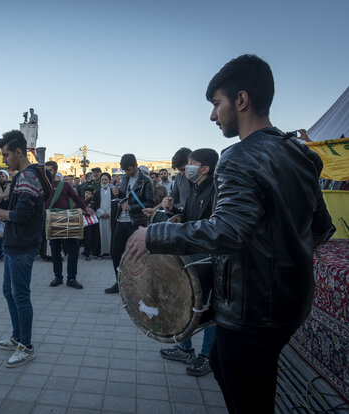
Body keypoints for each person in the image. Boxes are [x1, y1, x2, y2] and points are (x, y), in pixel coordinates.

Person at [126, 55, 335, 414]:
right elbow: (321, 228)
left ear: (241, 100)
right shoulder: (300, 155)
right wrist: (281, 256)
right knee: (224, 367)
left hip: (251, 310)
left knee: (248, 400)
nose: (213, 116)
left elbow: (230, 229)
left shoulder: (239, 157)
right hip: (289, 302)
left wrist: (154, 235)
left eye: (216, 104)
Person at [0, 130, 48, 367]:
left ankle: (26, 346)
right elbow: (14, 205)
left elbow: (21, 214)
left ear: (19, 152)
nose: (4, 160)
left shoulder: (29, 176)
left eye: (7, 155)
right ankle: (17, 336)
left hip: (22, 245)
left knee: (20, 295)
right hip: (14, 244)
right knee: (9, 292)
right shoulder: (21, 176)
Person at [157, 148, 219, 377]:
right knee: (187, 302)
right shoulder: (194, 188)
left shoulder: (217, 189)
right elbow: (191, 217)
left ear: (205, 168)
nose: (186, 170)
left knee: (208, 307)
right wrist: (174, 211)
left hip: (210, 259)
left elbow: (214, 226)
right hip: (191, 256)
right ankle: (185, 349)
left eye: (191, 164)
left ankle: (206, 356)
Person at [105, 153, 154, 294]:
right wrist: (117, 193)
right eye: (124, 170)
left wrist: (131, 207)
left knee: (136, 254)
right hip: (121, 219)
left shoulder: (146, 181)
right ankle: (119, 282)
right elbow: (123, 195)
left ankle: (138, 285)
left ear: (135, 166)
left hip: (136, 222)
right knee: (115, 252)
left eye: (129, 170)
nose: (126, 173)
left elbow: (149, 203)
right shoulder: (125, 178)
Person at [45, 160, 92, 289]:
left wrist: (85, 208)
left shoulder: (64, 185)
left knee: (73, 249)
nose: (47, 172)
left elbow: (76, 198)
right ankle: (58, 277)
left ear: (55, 170)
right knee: (55, 250)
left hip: (68, 220)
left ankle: (72, 278)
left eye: (49, 170)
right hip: (52, 221)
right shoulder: (42, 185)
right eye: (45, 170)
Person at [96, 172, 113, 257]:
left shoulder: (113, 191)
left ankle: (111, 252)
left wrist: (109, 213)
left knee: (111, 234)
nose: (104, 181)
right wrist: (101, 213)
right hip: (101, 217)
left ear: (109, 181)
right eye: (102, 180)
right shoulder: (97, 191)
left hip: (110, 217)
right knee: (101, 235)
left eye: (106, 179)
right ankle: (101, 252)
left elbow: (115, 203)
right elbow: (95, 204)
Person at [81, 188, 100, 260]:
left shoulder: (93, 202)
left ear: (92, 195)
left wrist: (86, 210)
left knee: (94, 237)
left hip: (93, 223)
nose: (87, 194)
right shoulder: (82, 201)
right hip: (85, 223)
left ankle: (95, 252)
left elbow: (91, 211)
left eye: (89, 193)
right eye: (86, 192)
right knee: (87, 238)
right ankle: (87, 253)